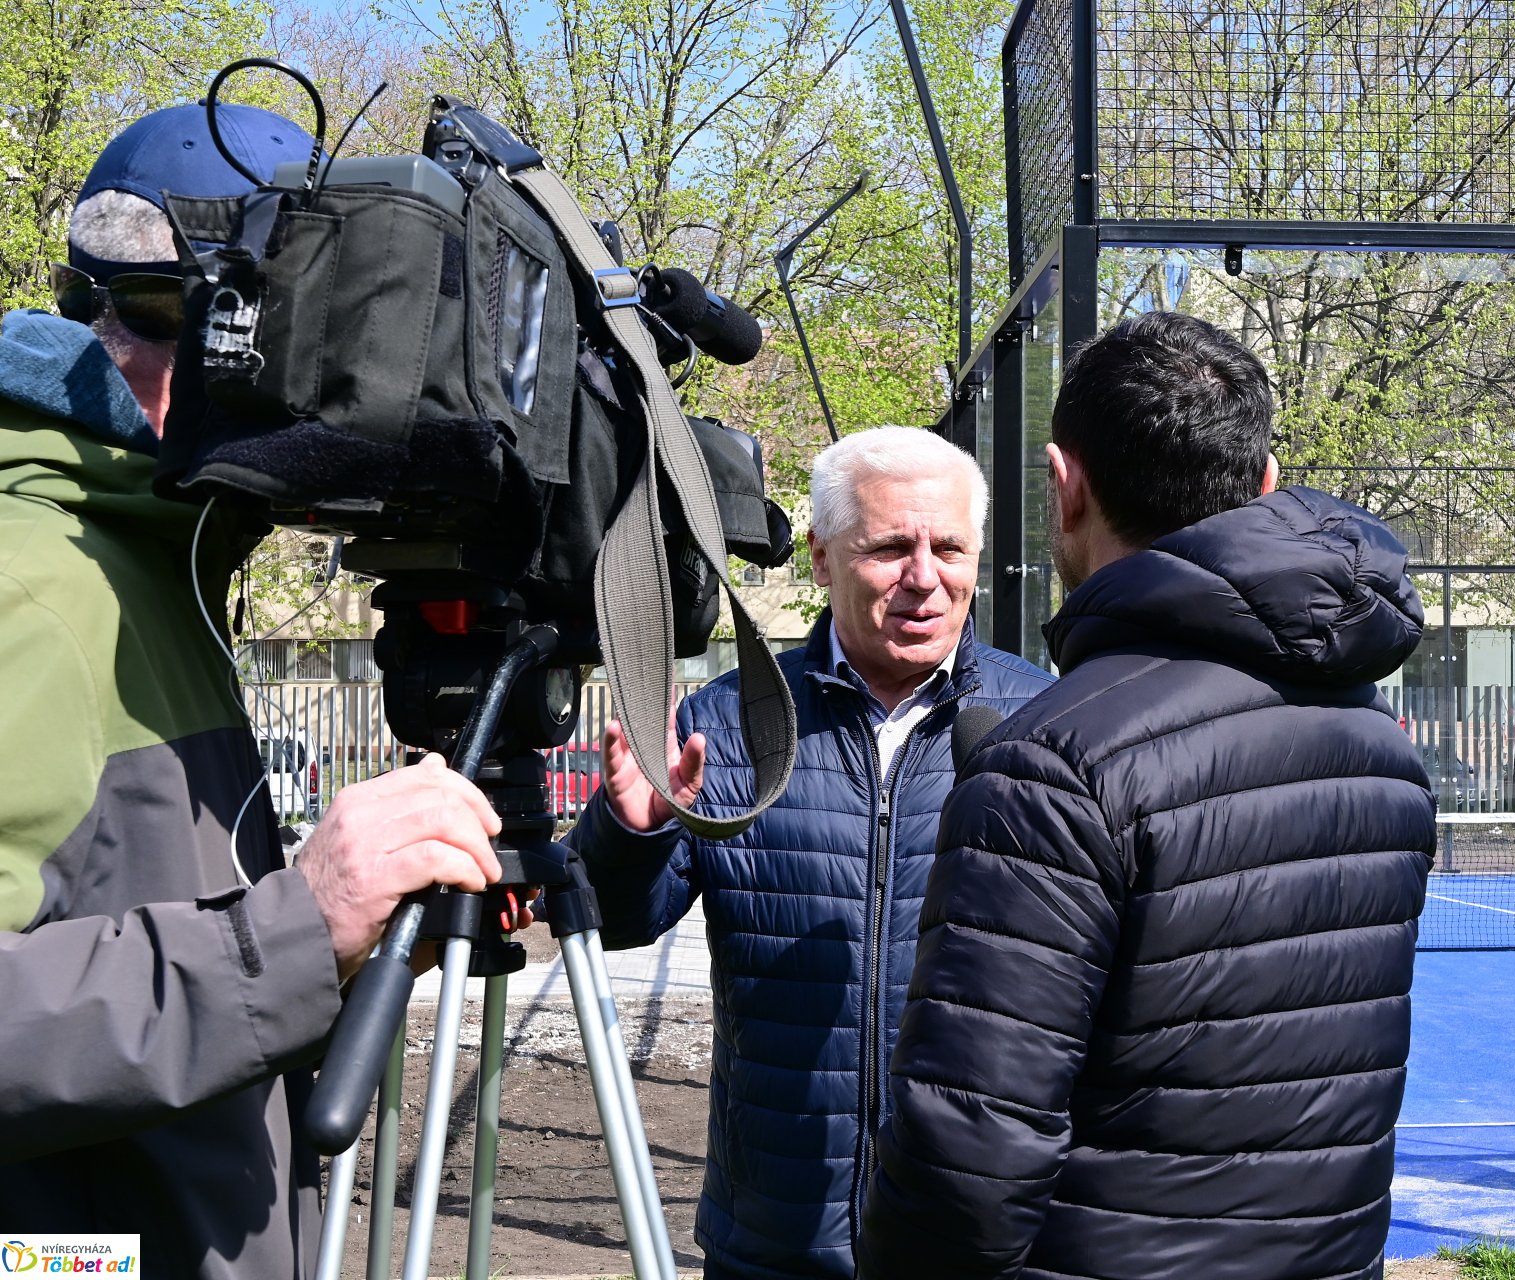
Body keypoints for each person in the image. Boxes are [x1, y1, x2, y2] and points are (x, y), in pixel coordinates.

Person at [0, 104, 517, 1276]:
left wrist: (334, 946)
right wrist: (290, 929)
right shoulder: (31, 584)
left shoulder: (153, 564)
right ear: (216, 330)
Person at [858, 311, 1434, 1280]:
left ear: (1064, 483)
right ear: (1262, 485)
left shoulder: (1052, 762)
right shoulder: (1379, 744)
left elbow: (970, 1153)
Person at [572, 426, 1053, 1279]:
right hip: (776, 1235)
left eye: (949, 547)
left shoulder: (1047, 723)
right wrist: (634, 831)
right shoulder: (726, 724)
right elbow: (612, 922)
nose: (925, 577)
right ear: (823, 558)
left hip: (983, 1238)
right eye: (890, 547)